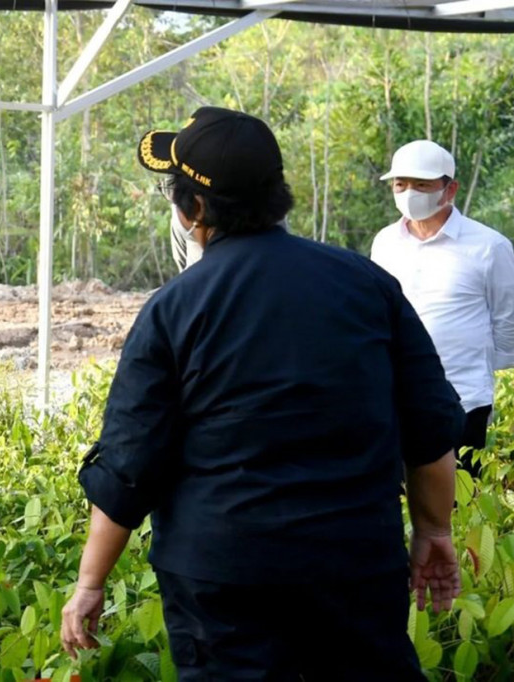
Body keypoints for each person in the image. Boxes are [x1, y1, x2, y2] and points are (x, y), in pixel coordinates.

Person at [60, 107, 464, 680]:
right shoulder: (367, 285)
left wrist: (89, 583)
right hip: (353, 564)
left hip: (223, 582)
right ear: (277, 193)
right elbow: (429, 428)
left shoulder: (175, 309)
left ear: (193, 208)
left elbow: (130, 465)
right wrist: (434, 532)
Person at [371, 140, 514, 476]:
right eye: (401, 184)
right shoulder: (385, 242)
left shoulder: (489, 247)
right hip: (397, 398)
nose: (409, 193)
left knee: (461, 505)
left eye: (422, 185)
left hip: (464, 401)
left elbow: (507, 323)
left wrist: (476, 368)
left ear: (450, 189)